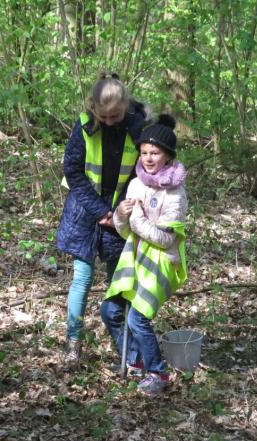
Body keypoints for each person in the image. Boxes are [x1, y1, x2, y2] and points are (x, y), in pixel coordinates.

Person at [56, 73, 149, 362]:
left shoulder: (138, 127)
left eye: (116, 115)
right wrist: (100, 212)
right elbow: (73, 171)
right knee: (82, 278)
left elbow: (147, 171)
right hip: (85, 212)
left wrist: (120, 212)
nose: (110, 121)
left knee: (117, 281)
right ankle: (73, 341)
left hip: (123, 214)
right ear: (93, 109)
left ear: (126, 107)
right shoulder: (84, 125)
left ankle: (121, 345)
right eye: (104, 116)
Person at [101, 114, 188, 396]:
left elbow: (165, 238)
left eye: (156, 153)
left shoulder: (176, 192)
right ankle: (135, 359)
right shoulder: (137, 182)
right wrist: (120, 216)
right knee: (110, 309)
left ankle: (157, 372)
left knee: (137, 318)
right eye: (145, 152)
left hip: (163, 262)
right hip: (134, 256)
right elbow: (126, 231)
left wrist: (136, 221)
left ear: (167, 156)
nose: (149, 158)